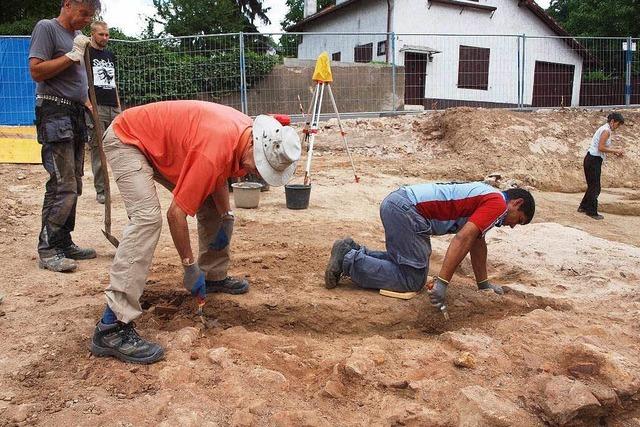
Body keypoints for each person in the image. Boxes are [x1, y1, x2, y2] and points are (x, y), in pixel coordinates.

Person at [90, 101, 301, 364]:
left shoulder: (245, 135)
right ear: (255, 147)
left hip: (163, 145)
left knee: (214, 206)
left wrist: (225, 217)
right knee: (147, 219)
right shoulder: (214, 149)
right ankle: (111, 326)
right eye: (259, 166)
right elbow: (176, 214)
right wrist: (189, 267)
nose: (256, 173)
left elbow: (219, 175)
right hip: (128, 139)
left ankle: (213, 275)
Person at [324, 182, 535, 311]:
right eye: (519, 220)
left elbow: (477, 243)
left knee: (406, 265)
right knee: (412, 280)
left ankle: (349, 250)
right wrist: (442, 283)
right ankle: (348, 261)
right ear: (516, 203)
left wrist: (484, 284)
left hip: (401, 204)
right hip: (408, 211)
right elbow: (462, 239)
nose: (512, 225)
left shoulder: (489, 196)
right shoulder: (498, 204)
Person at [29, 0, 101, 273]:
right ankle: (48, 249)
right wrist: (71, 56)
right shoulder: (46, 28)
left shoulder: (77, 36)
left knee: (75, 183)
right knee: (63, 184)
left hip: (74, 112)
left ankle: (63, 241)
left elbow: (77, 81)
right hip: (54, 111)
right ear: (68, 4)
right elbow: (36, 71)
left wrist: (88, 104)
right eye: (83, 13)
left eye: (90, 16)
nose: (86, 20)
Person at [87, 20, 121, 204]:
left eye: (107, 34)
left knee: (120, 146)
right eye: (101, 34)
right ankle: (102, 190)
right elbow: (80, 81)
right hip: (96, 106)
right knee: (98, 149)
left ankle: (125, 186)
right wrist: (88, 104)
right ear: (92, 34)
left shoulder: (110, 55)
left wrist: (118, 106)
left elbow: (113, 82)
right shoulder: (86, 53)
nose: (105, 38)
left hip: (113, 106)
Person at [578, 112, 625, 220]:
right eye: (618, 124)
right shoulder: (606, 131)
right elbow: (601, 147)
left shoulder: (605, 129)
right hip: (594, 160)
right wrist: (616, 151)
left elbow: (602, 147)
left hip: (592, 159)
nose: (617, 127)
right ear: (612, 121)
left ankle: (583, 207)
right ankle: (591, 211)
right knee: (595, 187)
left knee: (592, 186)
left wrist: (614, 151)